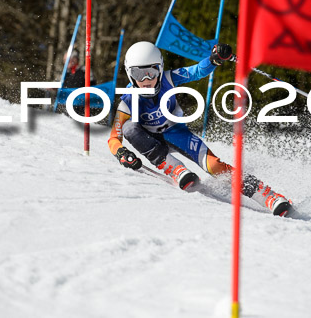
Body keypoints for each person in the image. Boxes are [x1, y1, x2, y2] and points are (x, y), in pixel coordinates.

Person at [107, 41, 292, 216]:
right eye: (140, 75)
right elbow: (114, 138)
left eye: (152, 72)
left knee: (214, 166)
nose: (147, 79)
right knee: (130, 128)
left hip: (176, 134)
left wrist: (214, 60)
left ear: (160, 70)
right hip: (151, 142)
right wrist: (121, 153)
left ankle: (268, 196)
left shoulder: (169, 79)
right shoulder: (128, 101)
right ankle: (175, 168)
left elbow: (196, 71)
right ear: (130, 75)